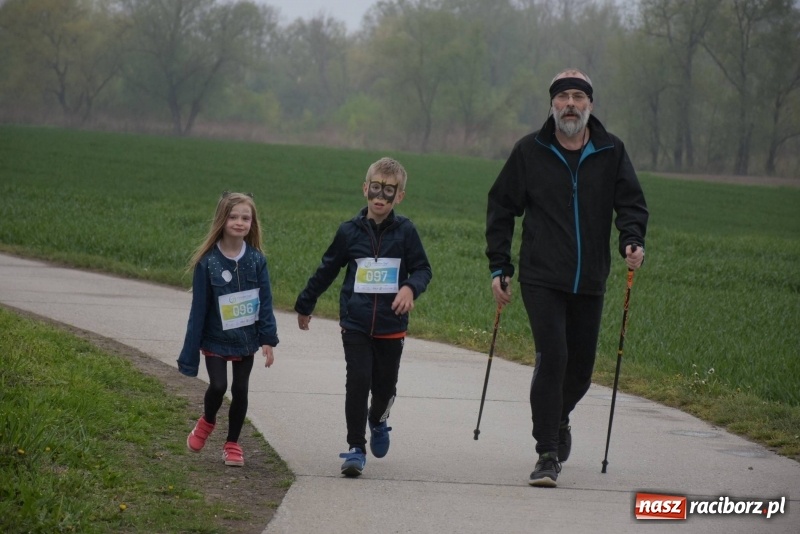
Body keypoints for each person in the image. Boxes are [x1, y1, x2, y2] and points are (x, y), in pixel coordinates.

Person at [485, 68, 648, 487]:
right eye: (563, 97)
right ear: (552, 105)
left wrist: (631, 240)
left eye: (578, 96)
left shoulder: (611, 151)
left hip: (590, 278)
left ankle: (558, 418)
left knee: (581, 371)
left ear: (590, 105)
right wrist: (499, 265)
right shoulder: (530, 151)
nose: (570, 104)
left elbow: (631, 203)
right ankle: (546, 454)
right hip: (541, 277)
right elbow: (501, 206)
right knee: (553, 357)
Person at [295, 157, 432, 477]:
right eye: (375, 188)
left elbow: (424, 269)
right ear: (365, 188)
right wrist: (306, 302)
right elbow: (327, 268)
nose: (380, 197)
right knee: (357, 381)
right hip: (355, 322)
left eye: (388, 190)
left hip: (391, 325)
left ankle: (379, 419)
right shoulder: (349, 232)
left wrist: (410, 288)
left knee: (384, 388)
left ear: (399, 196)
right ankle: (356, 447)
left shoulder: (406, 231)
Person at [177, 191, 279, 467]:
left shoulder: (257, 260)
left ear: (252, 223)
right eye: (233, 217)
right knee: (219, 386)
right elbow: (197, 311)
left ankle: (232, 442)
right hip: (215, 339)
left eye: (245, 217)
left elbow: (265, 302)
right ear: (222, 220)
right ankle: (207, 421)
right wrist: (190, 354)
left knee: (241, 390)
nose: (239, 222)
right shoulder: (207, 262)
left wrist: (268, 339)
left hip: (247, 340)